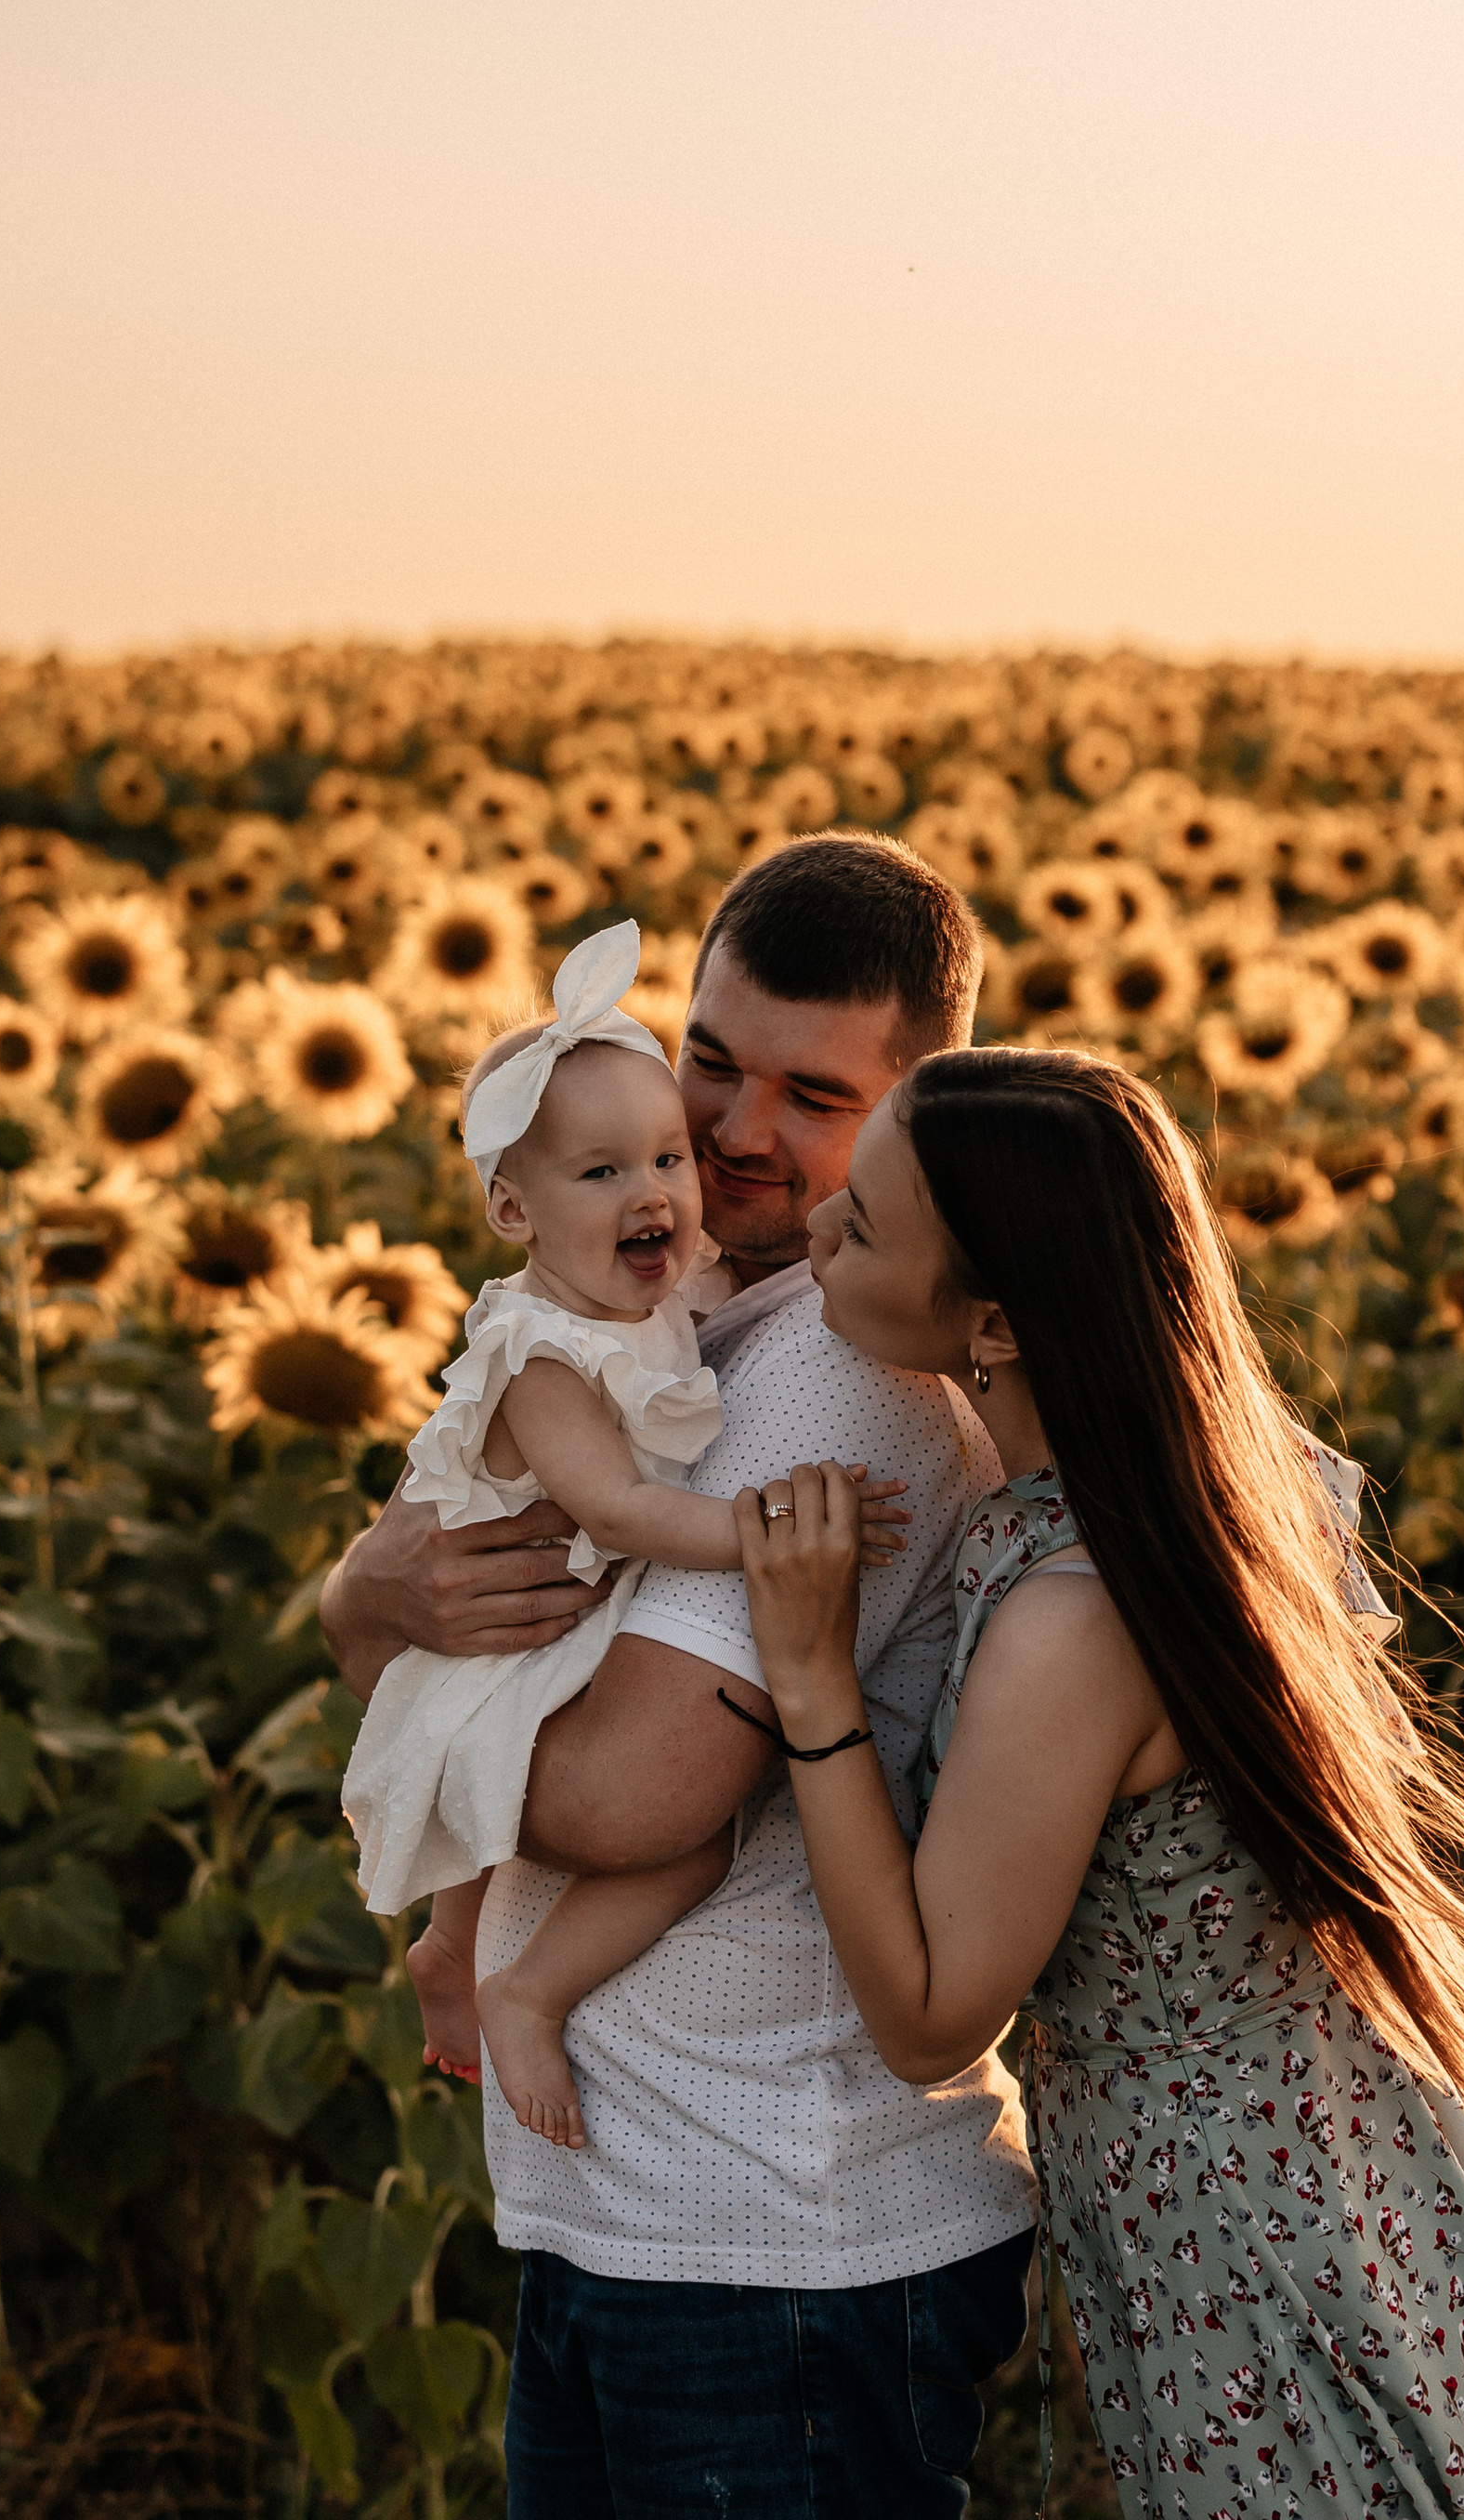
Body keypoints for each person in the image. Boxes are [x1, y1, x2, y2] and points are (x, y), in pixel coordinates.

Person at [731, 1046, 1464, 2520]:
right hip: (1344, 2160)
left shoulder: (1074, 1621)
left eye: (870, 1220)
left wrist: (812, 1684)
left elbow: (929, 2013)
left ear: (994, 1325)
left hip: (1238, 2233)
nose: (823, 1218)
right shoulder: (1189, 1480)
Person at [320, 835, 1041, 2520]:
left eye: (813, 1095)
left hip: (779, 2237)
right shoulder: (658, 1300)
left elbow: (630, 1791)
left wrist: (371, 1628)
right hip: (645, 2210)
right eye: (709, 1060)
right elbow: (423, 1587)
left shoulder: (843, 1377)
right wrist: (371, 1605)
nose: (732, 1131)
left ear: (917, 1111)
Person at [340, 916, 905, 2144]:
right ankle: (490, 1968)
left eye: (663, 1161)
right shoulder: (547, 1345)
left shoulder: (729, 1304)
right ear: (512, 1207)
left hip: (551, 1621)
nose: (669, 1182)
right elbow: (615, 1509)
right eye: (603, 1174)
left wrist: (360, 1613)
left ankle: (489, 1962)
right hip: (530, 1614)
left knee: (670, 1847)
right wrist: (775, 1534)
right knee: (627, 1833)